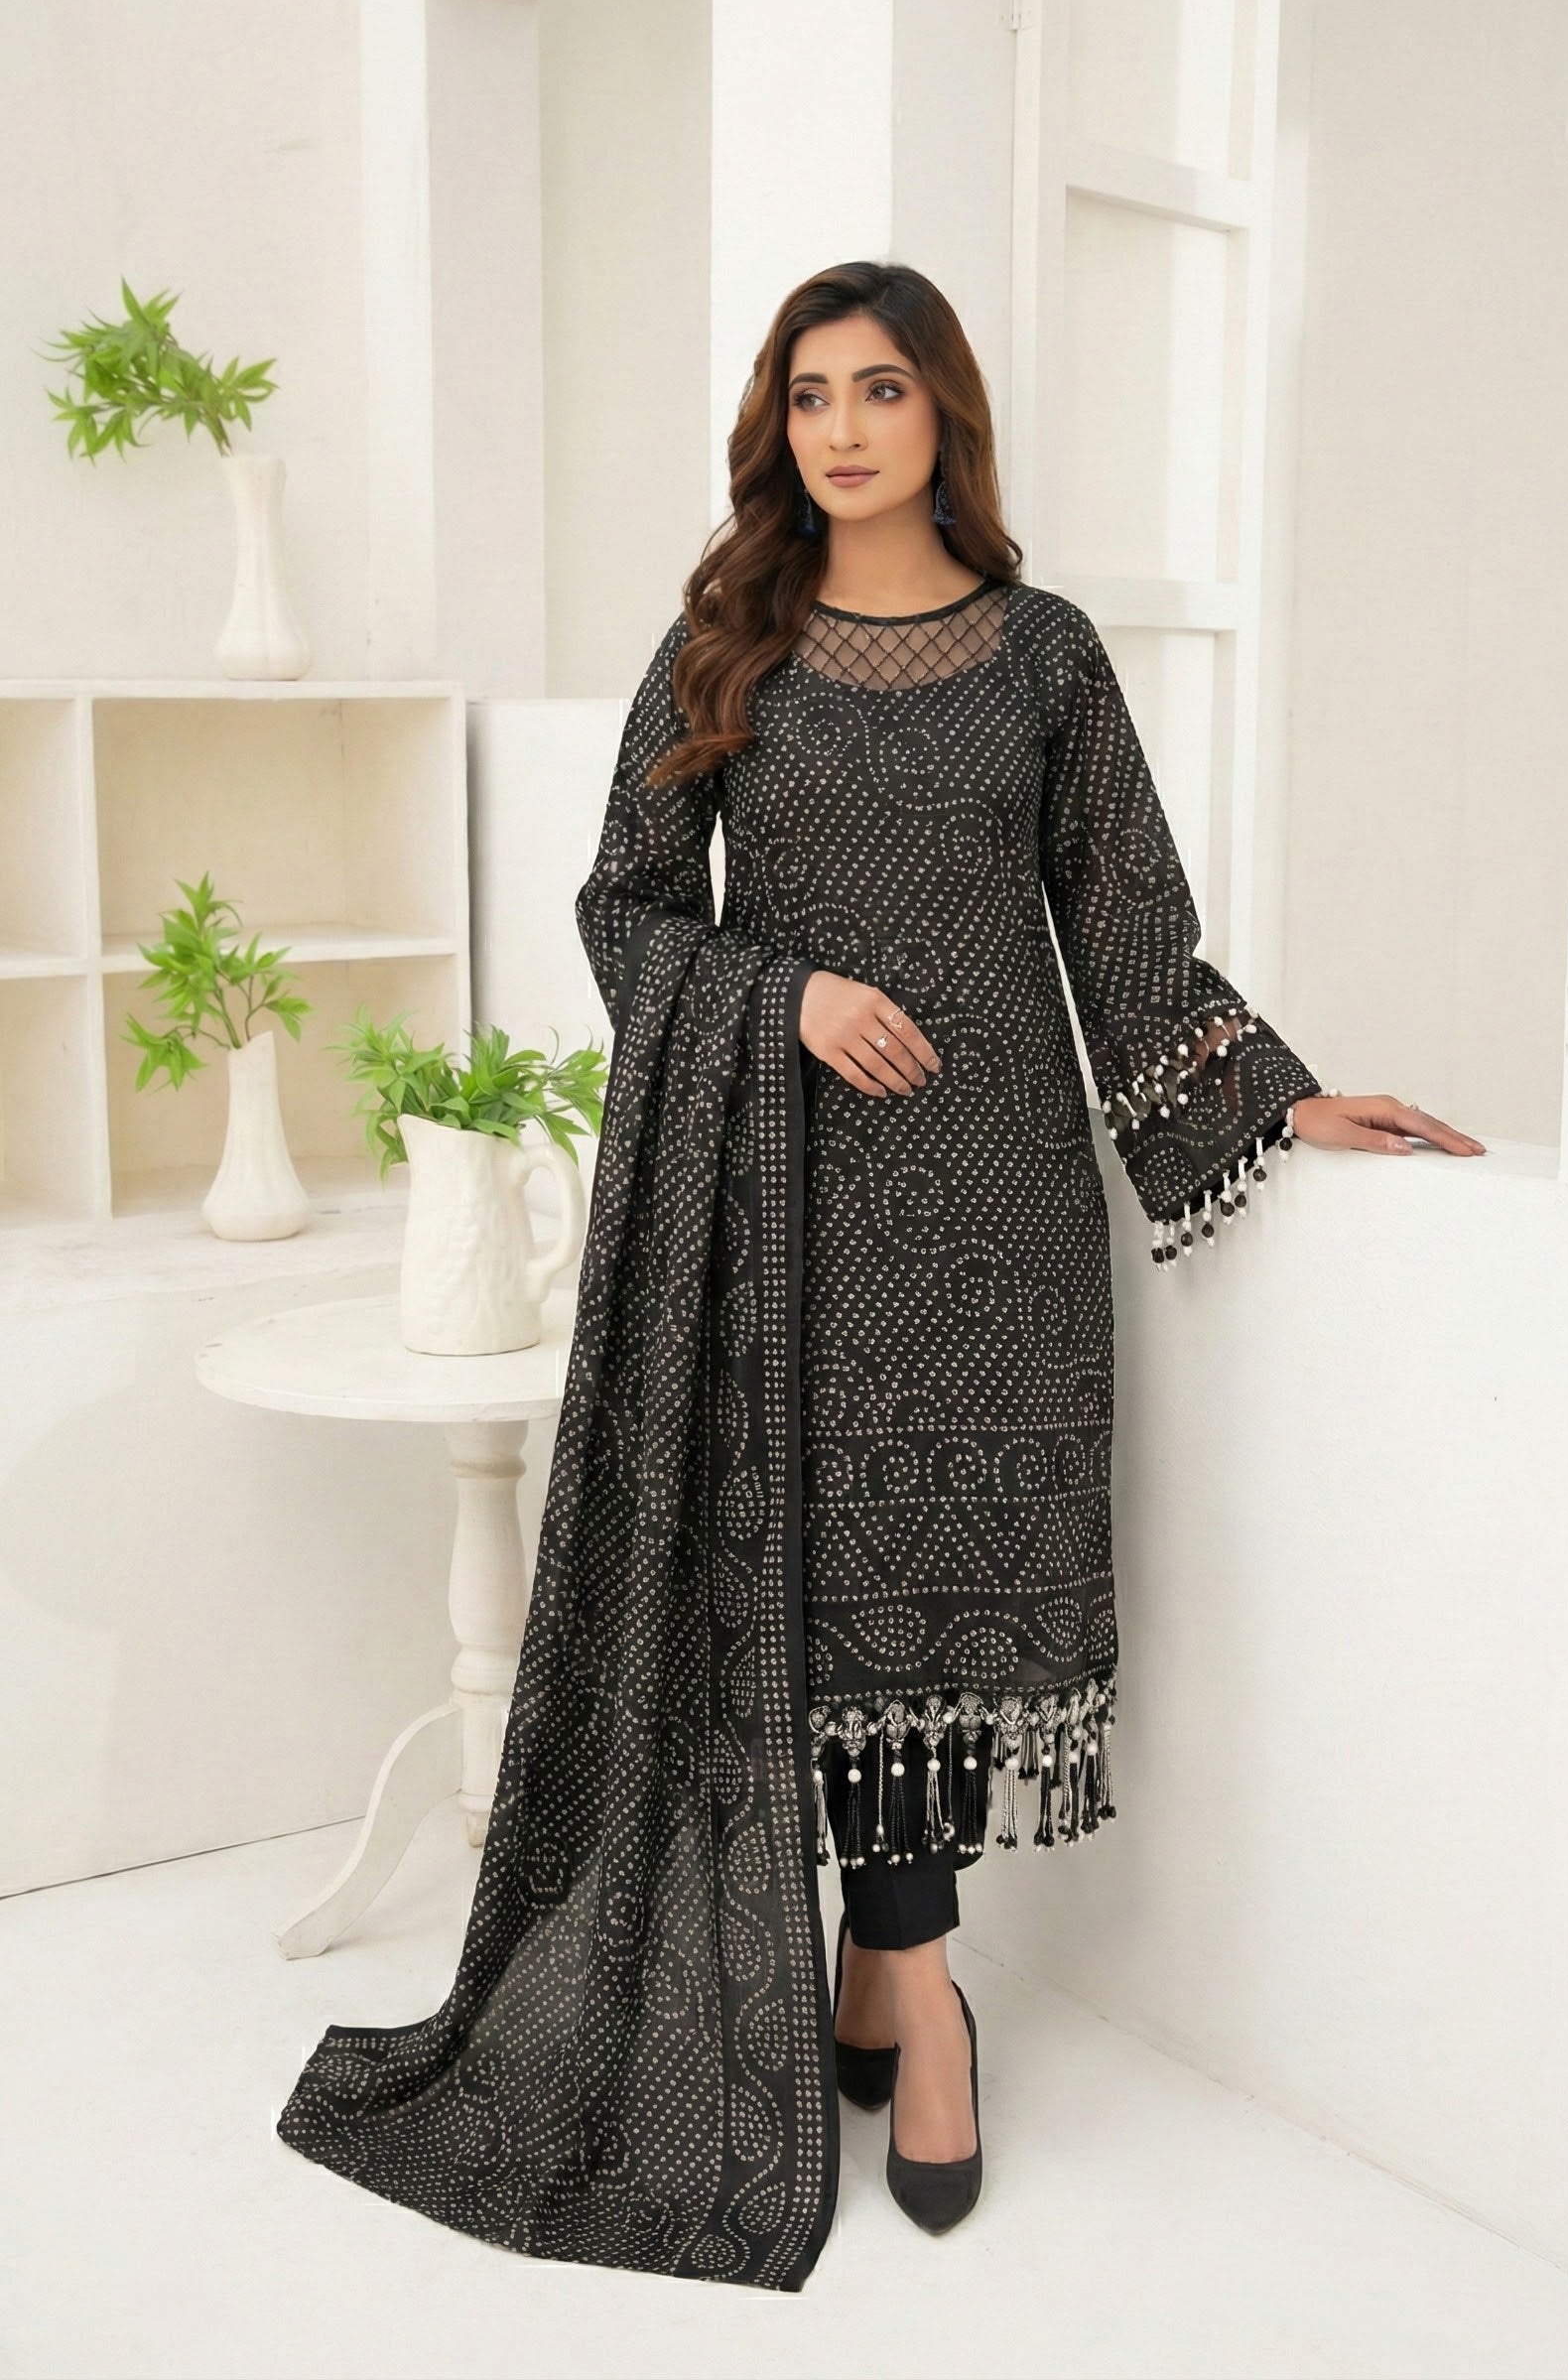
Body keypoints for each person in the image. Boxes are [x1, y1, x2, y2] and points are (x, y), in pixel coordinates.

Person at [276, 260, 1484, 2287]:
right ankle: (918, 1993)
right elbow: (625, 907)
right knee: (827, 1608)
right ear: (781, 423)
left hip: (1002, 1223)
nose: (841, 428)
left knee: (946, 1611)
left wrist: (1276, 1099)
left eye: (881, 389)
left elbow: (1125, 924)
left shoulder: (1045, 656)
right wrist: (787, 996)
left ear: (945, 416)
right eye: (810, 393)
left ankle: (888, 1965)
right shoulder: (725, 644)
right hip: (788, 1211)